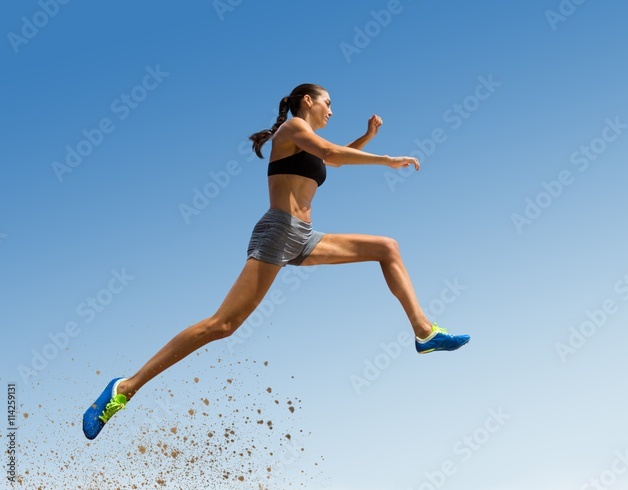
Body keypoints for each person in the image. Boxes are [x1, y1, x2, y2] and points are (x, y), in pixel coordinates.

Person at [82, 83, 470, 440]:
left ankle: (424, 333)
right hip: (279, 232)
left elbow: (331, 161)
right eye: (328, 103)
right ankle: (124, 388)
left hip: (302, 238)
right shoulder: (290, 132)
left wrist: (366, 138)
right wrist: (385, 159)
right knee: (223, 325)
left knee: (388, 247)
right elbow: (333, 153)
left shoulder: (307, 140)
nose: (331, 111)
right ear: (307, 101)